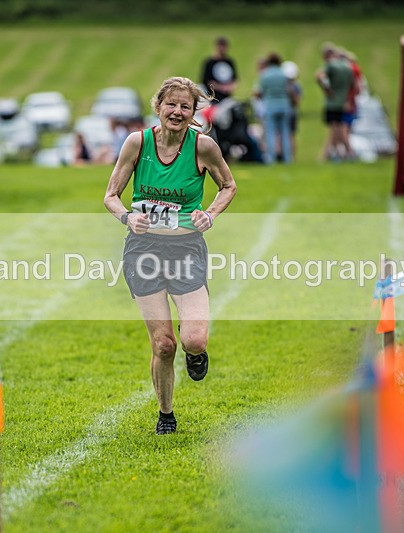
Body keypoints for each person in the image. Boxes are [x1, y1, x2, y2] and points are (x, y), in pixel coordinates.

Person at [104, 77, 237, 434]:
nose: (177, 112)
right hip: (143, 250)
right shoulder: (137, 143)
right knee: (164, 344)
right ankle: (166, 414)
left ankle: (196, 355)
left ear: (194, 113)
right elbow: (111, 195)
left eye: (185, 107)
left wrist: (209, 213)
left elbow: (228, 185)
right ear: (158, 106)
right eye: (171, 105)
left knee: (193, 339)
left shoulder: (203, 148)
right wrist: (128, 217)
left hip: (186, 248)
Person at [316, 43, 356, 162]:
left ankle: (339, 153)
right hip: (344, 101)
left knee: (335, 128)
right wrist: (348, 98)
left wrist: (326, 90)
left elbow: (319, 76)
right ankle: (341, 153)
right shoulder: (348, 66)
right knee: (340, 127)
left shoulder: (331, 65)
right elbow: (354, 85)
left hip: (333, 102)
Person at [254, 53, 293, 164]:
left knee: (270, 133)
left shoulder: (265, 75)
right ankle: (287, 159)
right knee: (285, 132)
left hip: (270, 105)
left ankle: (271, 159)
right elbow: (289, 90)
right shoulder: (284, 74)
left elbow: (259, 92)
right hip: (284, 105)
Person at [201, 36, 238, 103]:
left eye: (224, 46)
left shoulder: (229, 62)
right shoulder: (209, 62)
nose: (222, 48)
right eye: (220, 46)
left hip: (227, 98)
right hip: (212, 98)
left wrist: (230, 87)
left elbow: (235, 80)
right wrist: (221, 87)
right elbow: (205, 82)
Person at [282, 60, 302, 160]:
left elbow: (297, 101)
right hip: (287, 112)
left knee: (290, 135)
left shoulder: (296, 86)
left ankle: (291, 158)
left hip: (291, 113)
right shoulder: (284, 85)